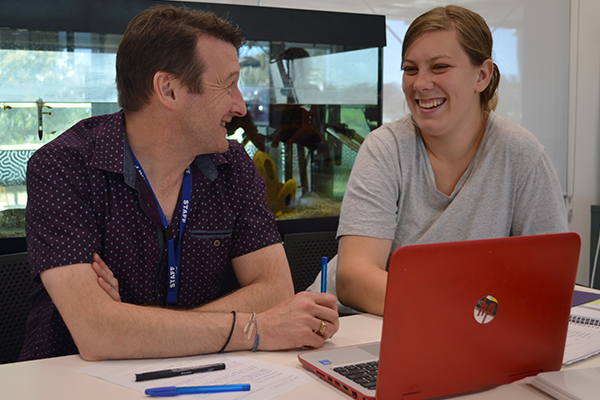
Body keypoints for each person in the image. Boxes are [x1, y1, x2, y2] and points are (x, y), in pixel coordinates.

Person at [19, 5, 338, 362]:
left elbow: (276, 292)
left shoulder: (233, 166)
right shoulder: (63, 166)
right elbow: (97, 335)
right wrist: (256, 327)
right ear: (168, 89)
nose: (241, 106)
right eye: (228, 84)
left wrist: (130, 326)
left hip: (204, 372)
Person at [334, 5, 568, 316]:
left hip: (468, 331)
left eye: (440, 67)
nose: (420, 84)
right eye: (411, 69)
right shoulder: (386, 148)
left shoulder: (522, 155)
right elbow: (353, 278)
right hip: (371, 327)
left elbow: (550, 282)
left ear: (482, 75)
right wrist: (458, 313)